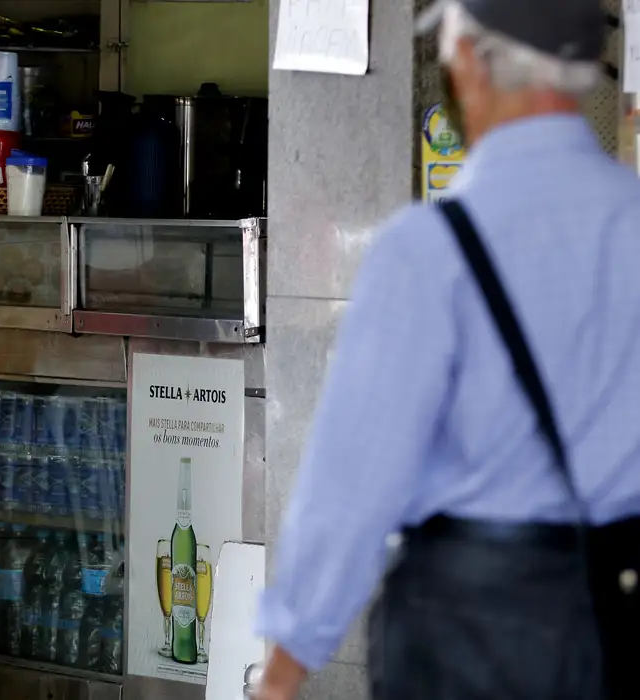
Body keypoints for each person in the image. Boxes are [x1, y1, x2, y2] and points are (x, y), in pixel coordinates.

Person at [252, 0, 640, 698]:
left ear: (470, 63)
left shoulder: (428, 249)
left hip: (465, 634)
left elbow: (353, 484)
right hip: (619, 620)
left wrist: (283, 667)